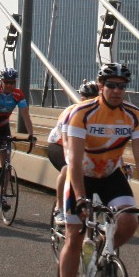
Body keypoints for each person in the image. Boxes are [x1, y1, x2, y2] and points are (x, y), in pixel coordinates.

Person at [55, 62, 139, 277]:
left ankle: (100, 249)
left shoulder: (134, 116)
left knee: (129, 222)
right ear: (101, 86)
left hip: (110, 175)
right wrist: (80, 198)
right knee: (74, 236)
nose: (117, 90)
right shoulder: (82, 113)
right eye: (111, 85)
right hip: (82, 176)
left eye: (122, 86)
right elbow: (74, 160)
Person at [46, 79, 100, 222]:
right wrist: (71, 161)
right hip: (58, 145)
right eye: (90, 99)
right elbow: (66, 143)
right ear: (82, 99)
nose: (94, 102)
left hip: (80, 147)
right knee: (67, 169)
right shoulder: (71, 113)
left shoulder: (100, 115)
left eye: (97, 99)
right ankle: (59, 208)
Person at [0, 67, 36, 188]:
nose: (9, 85)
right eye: (6, 82)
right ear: (1, 82)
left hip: (3, 125)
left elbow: (26, 116)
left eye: (12, 82)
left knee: (6, 164)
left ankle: (3, 194)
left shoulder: (18, 95)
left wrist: (31, 135)